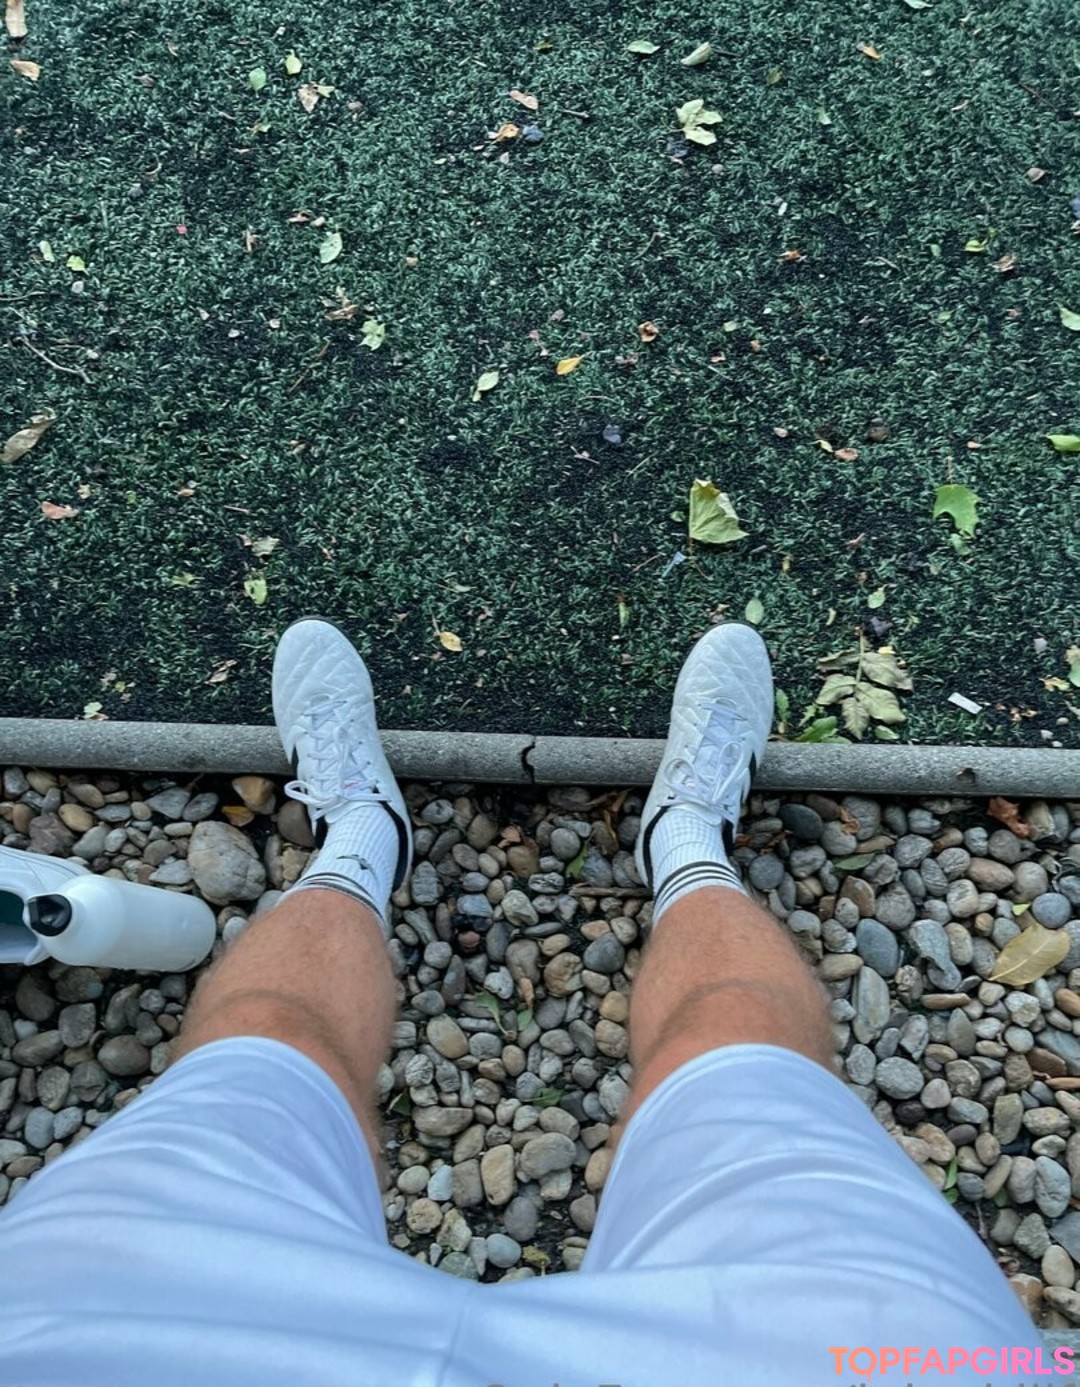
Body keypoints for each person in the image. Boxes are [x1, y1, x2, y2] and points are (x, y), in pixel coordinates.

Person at [0, 618, 1043, 1385]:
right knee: (744, 1035)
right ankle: (678, 841)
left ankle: (371, 837)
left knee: (264, 1034)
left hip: (81, 1337)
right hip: (865, 1360)